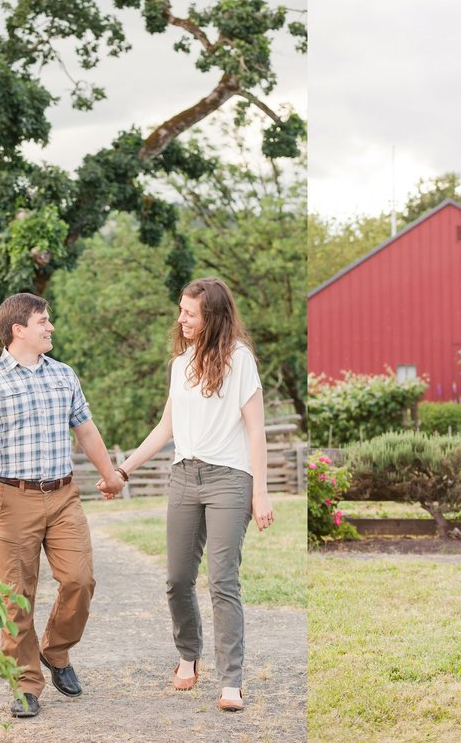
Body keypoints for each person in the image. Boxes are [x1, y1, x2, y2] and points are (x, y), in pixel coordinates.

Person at [100, 277, 274, 712]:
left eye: (189, 313)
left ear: (211, 317)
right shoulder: (181, 365)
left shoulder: (240, 360)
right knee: (177, 580)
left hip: (230, 480)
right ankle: (188, 654)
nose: (180, 319)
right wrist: (122, 469)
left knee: (223, 580)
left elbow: (256, 430)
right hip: (184, 476)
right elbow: (166, 428)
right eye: (181, 310)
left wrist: (262, 493)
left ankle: (231, 680)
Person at [0, 293, 123, 718]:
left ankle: (56, 650)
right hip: (13, 499)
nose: (50, 327)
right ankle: (25, 683)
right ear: (19, 330)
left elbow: (86, 431)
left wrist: (109, 475)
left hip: (65, 495)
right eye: (43, 321)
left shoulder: (64, 376)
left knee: (80, 580)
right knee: (15, 596)